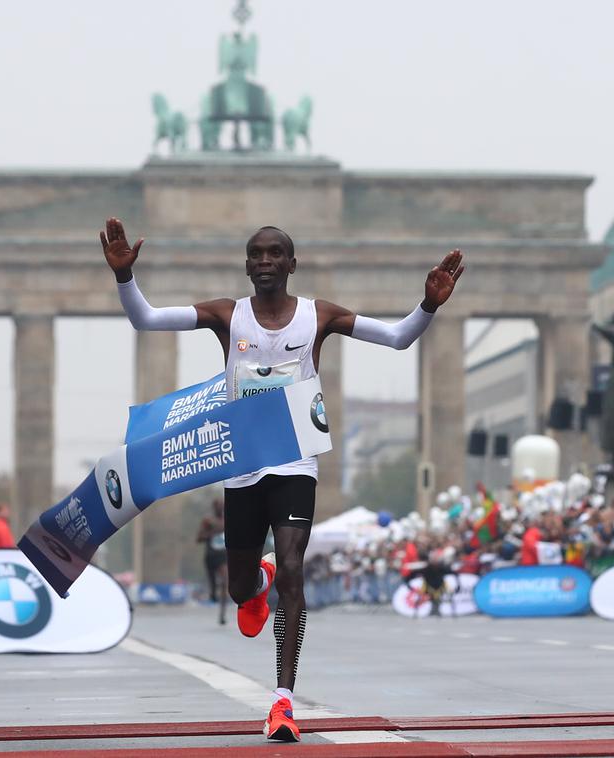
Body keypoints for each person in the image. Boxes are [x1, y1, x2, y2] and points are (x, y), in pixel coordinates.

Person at [103, 217, 463, 742]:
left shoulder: (320, 317)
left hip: (295, 460)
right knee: (238, 588)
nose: (265, 261)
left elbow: (398, 338)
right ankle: (257, 583)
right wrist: (124, 278)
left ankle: (283, 702)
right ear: (248, 266)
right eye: (256, 255)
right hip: (242, 464)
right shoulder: (228, 315)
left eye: (276, 254)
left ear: (292, 264)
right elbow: (147, 320)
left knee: (294, 565)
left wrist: (428, 305)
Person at [196, 499, 229, 626]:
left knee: (225, 581)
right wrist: (209, 534)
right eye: (218, 507)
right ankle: (213, 593)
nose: (220, 509)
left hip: (223, 556)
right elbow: (198, 538)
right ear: (214, 508)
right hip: (210, 556)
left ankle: (222, 615)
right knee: (213, 584)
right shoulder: (208, 521)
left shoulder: (227, 520)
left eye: (222, 507)